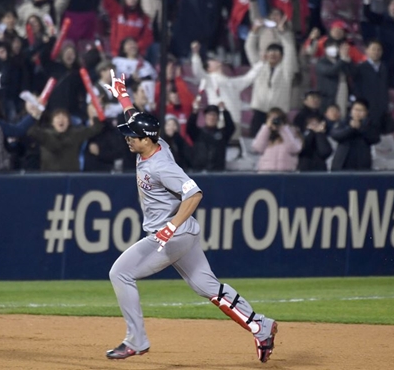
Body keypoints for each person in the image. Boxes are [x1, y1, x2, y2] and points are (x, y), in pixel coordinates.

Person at [102, 71, 278, 363]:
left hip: (171, 236)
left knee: (120, 273)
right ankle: (261, 326)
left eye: (132, 135)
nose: (128, 139)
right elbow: (133, 115)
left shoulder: (161, 165)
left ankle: (137, 340)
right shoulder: (151, 145)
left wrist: (169, 228)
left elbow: (194, 194)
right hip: (183, 234)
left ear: (147, 138)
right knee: (206, 285)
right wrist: (122, 94)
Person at [245, 15, 298, 134]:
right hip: (259, 111)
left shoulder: (286, 71)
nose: (273, 54)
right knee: (255, 143)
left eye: (276, 52)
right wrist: (254, 32)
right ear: (266, 54)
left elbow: (289, 50)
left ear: (281, 56)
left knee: (277, 143)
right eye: (270, 51)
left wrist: (283, 34)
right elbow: (249, 48)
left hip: (278, 113)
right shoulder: (259, 67)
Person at [27, 107, 103, 172]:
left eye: (64, 117)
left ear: (68, 122)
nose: (61, 119)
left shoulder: (75, 134)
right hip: (49, 178)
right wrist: (35, 115)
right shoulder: (45, 135)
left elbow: (96, 128)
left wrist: (96, 113)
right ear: (52, 122)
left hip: (71, 178)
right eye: (58, 117)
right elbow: (31, 131)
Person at [330, 98, 381, 171]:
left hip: (361, 163)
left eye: (361, 110)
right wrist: (350, 128)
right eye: (355, 109)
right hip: (342, 162)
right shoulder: (344, 122)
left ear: (366, 112)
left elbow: (375, 138)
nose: (357, 113)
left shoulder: (370, 124)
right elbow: (335, 134)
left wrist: (360, 127)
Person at [187, 102, 235, 172]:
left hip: (217, 172)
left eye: (214, 115)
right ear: (205, 117)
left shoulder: (222, 134)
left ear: (218, 118)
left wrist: (225, 111)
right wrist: (195, 111)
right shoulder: (198, 133)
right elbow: (190, 126)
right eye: (209, 115)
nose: (211, 117)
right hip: (199, 171)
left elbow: (231, 127)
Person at [251, 108, 303, 172]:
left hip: (286, 175)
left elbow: (294, 149)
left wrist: (283, 129)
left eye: (277, 118)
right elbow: (258, 148)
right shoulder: (265, 134)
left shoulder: (292, 133)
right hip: (266, 174)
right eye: (271, 118)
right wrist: (267, 128)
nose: (274, 121)